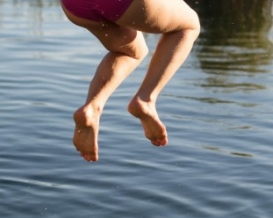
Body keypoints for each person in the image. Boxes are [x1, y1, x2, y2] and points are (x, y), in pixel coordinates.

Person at [59, 0, 200, 162]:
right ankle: (145, 99)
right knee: (189, 26)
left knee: (130, 52)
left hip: (74, 5)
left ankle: (92, 108)